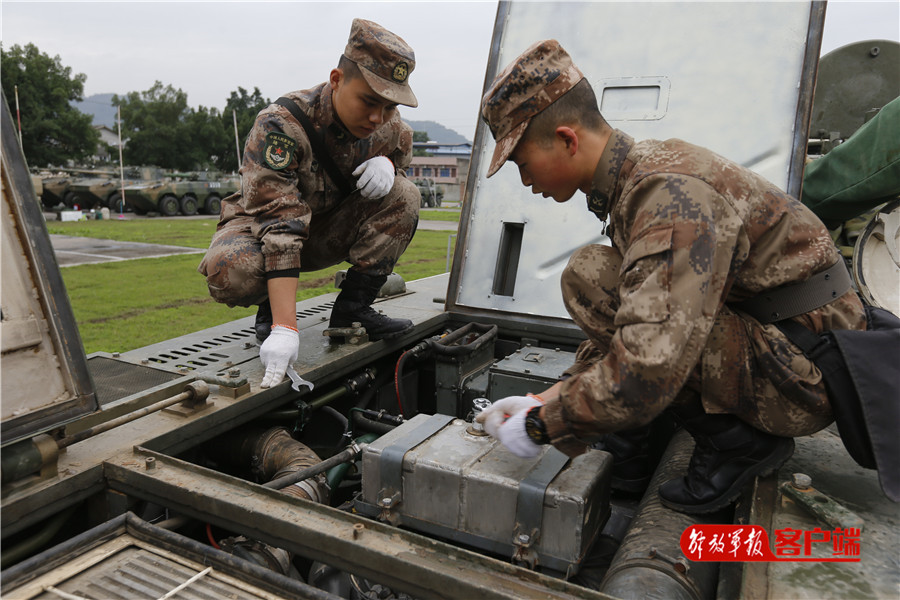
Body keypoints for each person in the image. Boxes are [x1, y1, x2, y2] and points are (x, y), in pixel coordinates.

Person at [475, 40, 867, 514]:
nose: (524, 181)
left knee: (629, 315)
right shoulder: (638, 175)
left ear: (567, 139)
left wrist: (545, 425)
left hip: (806, 375)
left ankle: (740, 444)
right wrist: (545, 397)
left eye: (520, 162)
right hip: (779, 344)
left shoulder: (669, 197)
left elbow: (648, 364)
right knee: (590, 274)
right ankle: (633, 446)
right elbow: (628, 322)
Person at [199, 19, 421, 388]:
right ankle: (270, 308)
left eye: (389, 107)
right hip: (263, 228)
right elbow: (280, 223)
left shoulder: (389, 126)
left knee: (405, 194)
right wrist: (287, 327)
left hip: (323, 227)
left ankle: (354, 310)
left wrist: (390, 164)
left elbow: (402, 149)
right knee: (231, 271)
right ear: (336, 79)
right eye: (369, 101)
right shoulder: (282, 125)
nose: (377, 118)